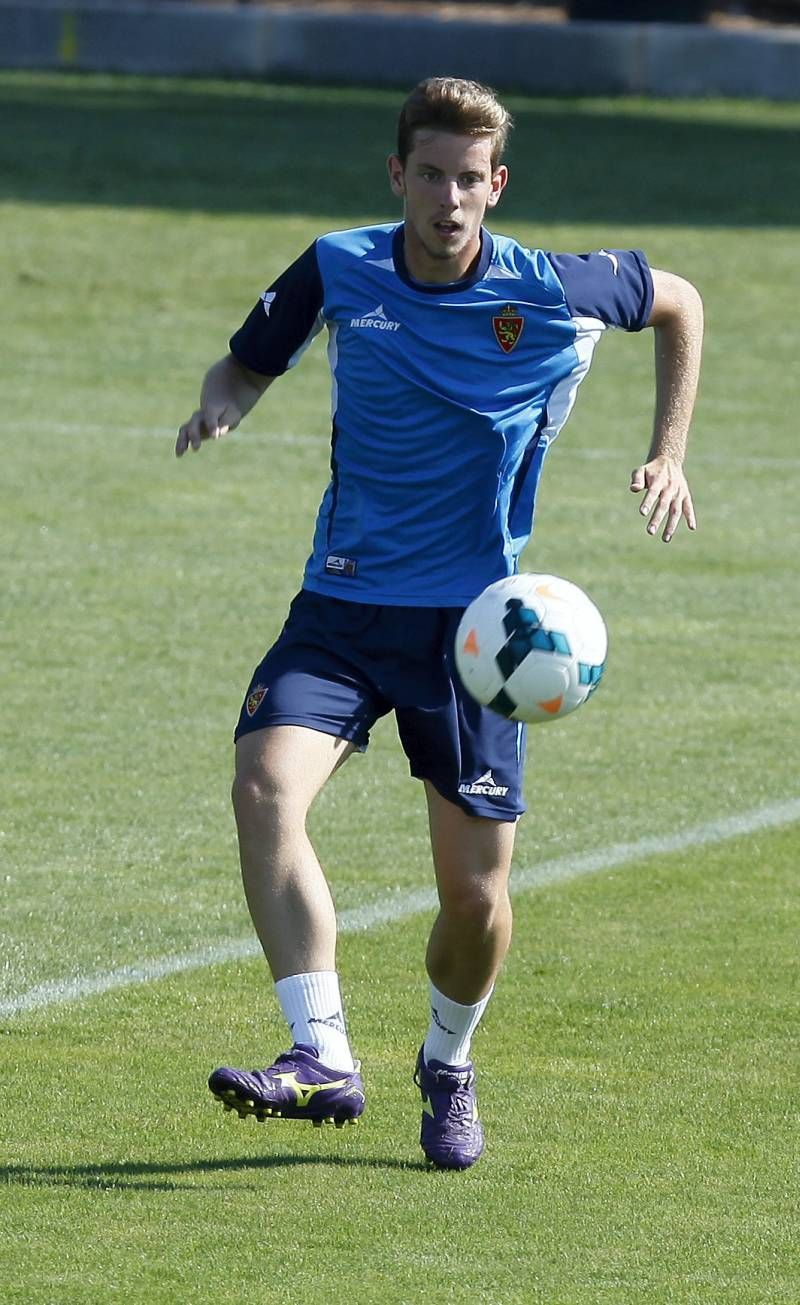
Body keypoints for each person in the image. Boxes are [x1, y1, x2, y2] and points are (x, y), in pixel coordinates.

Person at [176, 76, 702, 1170]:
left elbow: (679, 303)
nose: (448, 198)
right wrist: (227, 397)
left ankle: (447, 1062)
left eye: (469, 179)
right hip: (339, 606)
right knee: (263, 786)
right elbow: (252, 356)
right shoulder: (338, 266)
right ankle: (320, 1055)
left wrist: (667, 450)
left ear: (494, 185)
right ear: (396, 176)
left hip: (475, 637)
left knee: (472, 897)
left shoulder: (552, 287)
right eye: (429, 175)